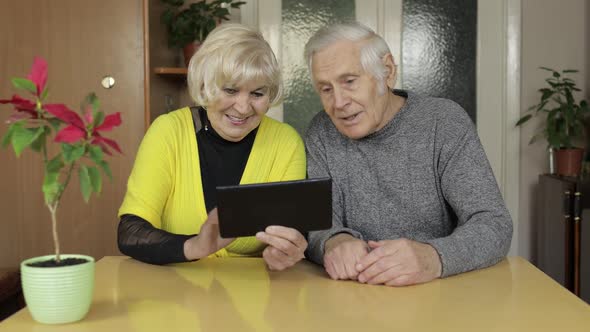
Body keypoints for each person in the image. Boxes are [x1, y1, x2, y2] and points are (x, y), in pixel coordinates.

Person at [303, 22, 513, 286]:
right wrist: (334, 241)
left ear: (387, 72)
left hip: (438, 295)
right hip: (352, 299)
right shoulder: (321, 131)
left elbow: (493, 223)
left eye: (350, 81)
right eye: (326, 89)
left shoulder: (443, 122)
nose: (339, 102)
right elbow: (315, 223)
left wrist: (434, 257)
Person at [117, 23, 307, 271]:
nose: (242, 107)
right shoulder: (168, 131)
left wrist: (284, 252)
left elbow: (294, 232)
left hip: (254, 298)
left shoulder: (286, 143)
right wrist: (195, 246)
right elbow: (130, 233)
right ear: (205, 86)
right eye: (230, 90)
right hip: (174, 295)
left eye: (257, 94)